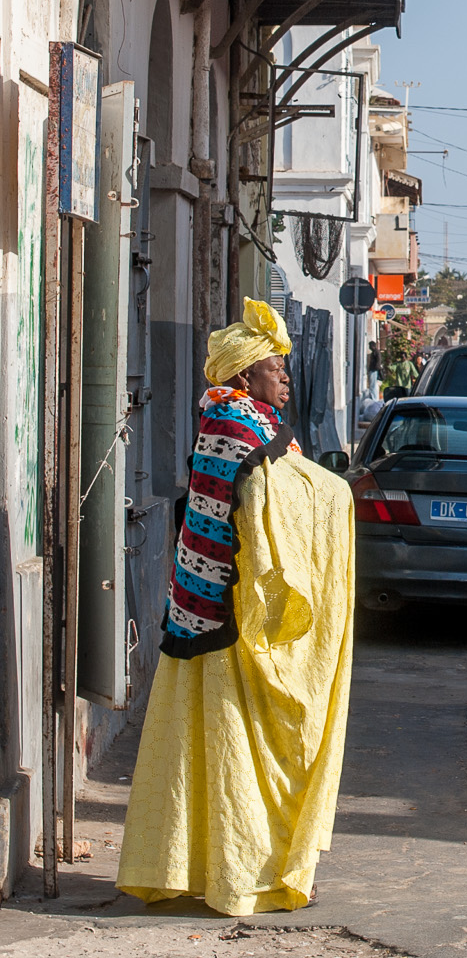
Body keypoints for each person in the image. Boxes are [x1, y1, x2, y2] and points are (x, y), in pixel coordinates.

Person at [117, 298, 355, 915]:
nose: (285, 377)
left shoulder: (239, 422)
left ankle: (203, 865)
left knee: (206, 747)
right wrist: (331, 497)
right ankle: (239, 872)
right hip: (228, 617)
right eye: (277, 367)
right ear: (246, 375)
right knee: (234, 751)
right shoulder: (238, 429)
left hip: (208, 609)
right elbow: (266, 511)